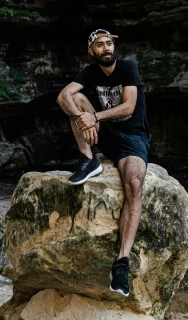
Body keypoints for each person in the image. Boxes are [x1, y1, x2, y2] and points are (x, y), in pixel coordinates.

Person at [56, 29, 150, 298]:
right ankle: (89, 159)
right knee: (74, 99)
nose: (106, 48)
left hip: (133, 139)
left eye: (109, 43)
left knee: (134, 182)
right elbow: (63, 96)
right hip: (107, 136)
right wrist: (80, 117)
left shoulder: (128, 68)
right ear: (92, 51)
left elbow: (129, 106)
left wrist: (94, 117)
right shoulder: (89, 73)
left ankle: (121, 262)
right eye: (100, 45)